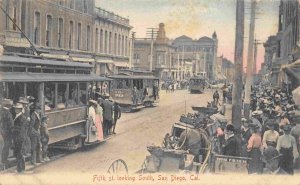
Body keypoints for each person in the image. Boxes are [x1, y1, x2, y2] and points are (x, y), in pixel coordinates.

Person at [12, 103, 28, 173]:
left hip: (19, 137)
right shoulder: (18, 116)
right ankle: (20, 168)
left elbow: (21, 128)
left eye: (17, 109)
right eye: (15, 108)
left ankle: (21, 169)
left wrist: (12, 129)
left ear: (20, 110)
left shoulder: (22, 117)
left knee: (19, 153)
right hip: (18, 137)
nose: (16, 110)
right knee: (18, 153)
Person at [0, 99, 14, 166]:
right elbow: (10, 123)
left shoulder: (2, 111)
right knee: (7, 145)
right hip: (7, 132)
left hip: (3, 131)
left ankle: (4, 158)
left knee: (6, 145)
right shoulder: (8, 113)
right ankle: (4, 159)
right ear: (9, 106)